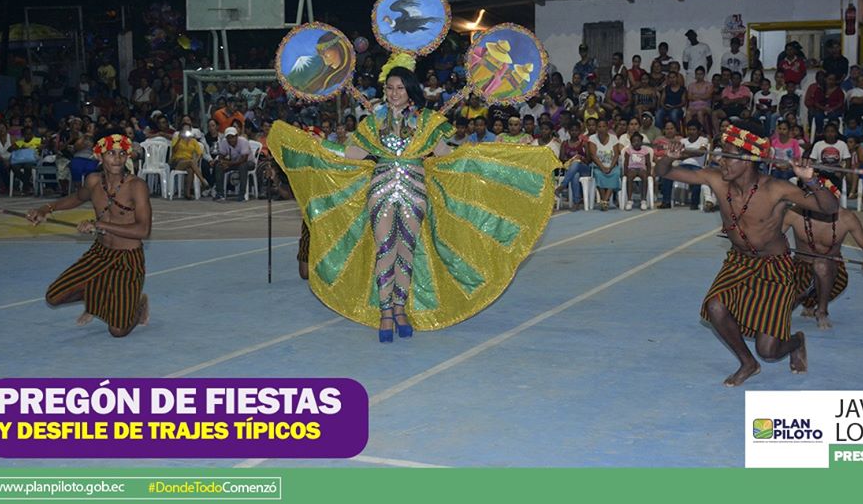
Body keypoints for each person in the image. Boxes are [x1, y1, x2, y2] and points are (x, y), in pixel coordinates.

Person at [268, 64, 558, 343]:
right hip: (380, 190)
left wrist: (490, 155)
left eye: (399, 88)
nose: (394, 93)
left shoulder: (428, 122)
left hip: (415, 191)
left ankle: (400, 309)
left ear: (410, 91)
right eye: (389, 88)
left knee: (406, 251)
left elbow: (447, 154)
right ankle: (385, 313)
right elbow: (352, 154)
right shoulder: (373, 122)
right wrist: (313, 145)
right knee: (385, 250)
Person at [656, 120, 839, 386]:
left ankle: (796, 342)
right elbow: (664, 172)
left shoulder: (776, 189)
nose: (721, 161)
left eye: (728, 156)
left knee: (769, 350)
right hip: (738, 261)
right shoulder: (716, 179)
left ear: (749, 159)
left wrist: (811, 180)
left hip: (775, 268)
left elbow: (829, 208)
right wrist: (668, 157)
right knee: (715, 306)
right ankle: (747, 363)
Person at [26, 131, 152, 337]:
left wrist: (100, 225)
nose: (117, 159)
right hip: (99, 254)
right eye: (111, 153)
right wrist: (46, 208)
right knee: (54, 296)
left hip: (128, 259)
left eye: (122, 153)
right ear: (99, 156)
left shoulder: (136, 186)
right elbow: (77, 198)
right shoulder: (93, 181)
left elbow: (143, 230)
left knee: (118, 331)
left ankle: (138, 305)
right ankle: (98, 296)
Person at [784, 196, 863, 330]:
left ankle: (822, 311)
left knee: (821, 264)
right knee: (781, 310)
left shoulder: (846, 218)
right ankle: (805, 297)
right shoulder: (795, 213)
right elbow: (771, 239)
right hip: (800, 268)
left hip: (831, 272)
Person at [588, 118, 621, 210]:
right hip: (598, 166)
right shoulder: (592, 138)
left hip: (612, 165)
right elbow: (593, 155)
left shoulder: (613, 138)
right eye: (599, 127)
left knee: (616, 173)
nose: (601, 129)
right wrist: (602, 167)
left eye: (604, 126)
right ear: (596, 128)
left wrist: (610, 167)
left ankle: (605, 200)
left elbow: (616, 155)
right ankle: (604, 199)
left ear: (607, 127)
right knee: (598, 174)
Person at [212, 126, 253, 201]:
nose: (231, 139)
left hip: (248, 162)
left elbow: (244, 159)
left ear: (237, 136)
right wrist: (223, 163)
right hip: (234, 163)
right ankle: (220, 193)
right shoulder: (224, 142)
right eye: (228, 137)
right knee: (219, 166)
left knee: (243, 166)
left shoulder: (243, 141)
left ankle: (242, 194)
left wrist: (228, 163)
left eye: (232, 137)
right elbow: (221, 156)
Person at [170, 124, 209, 199]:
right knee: (191, 162)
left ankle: (187, 193)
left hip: (188, 162)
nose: (186, 131)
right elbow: (173, 150)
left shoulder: (193, 141)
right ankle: (203, 181)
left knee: (190, 169)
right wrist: (179, 139)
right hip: (177, 161)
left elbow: (200, 153)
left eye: (188, 130)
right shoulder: (176, 139)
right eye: (184, 130)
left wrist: (196, 161)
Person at [622, 132, 651, 210]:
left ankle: (643, 200)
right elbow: (625, 162)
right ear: (631, 143)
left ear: (641, 142)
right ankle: (629, 200)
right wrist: (625, 172)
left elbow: (648, 163)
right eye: (634, 141)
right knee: (629, 177)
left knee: (645, 177)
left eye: (638, 141)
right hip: (632, 168)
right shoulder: (628, 150)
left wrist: (649, 172)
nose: (636, 143)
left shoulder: (645, 150)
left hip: (642, 169)